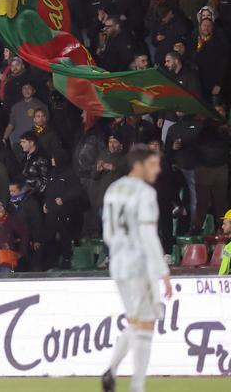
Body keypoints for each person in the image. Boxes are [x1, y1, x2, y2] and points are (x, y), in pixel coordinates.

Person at [101, 145, 172, 392]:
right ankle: (137, 386)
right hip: (139, 265)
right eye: (153, 164)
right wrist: (163, 271)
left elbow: (108, 234)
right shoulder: (144, 193)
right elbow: (148, 234)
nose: (158, 169)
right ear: (137, 165)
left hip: (118, 265)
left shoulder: (112, 189)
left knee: (136, 321)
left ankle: (111, 371)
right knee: (145, 325)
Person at [219, 209, 231, 275]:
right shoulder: (228, 246)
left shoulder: (229, 247)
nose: (222, 226)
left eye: (225, 224)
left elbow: (223, 272)